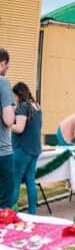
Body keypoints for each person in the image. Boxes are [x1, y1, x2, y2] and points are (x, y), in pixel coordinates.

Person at [10, 82, 42, 214]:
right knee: (30, 181)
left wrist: (7, 124)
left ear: (19, 94)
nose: (14, 98)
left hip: (22, 149)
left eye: (14, 96)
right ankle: (32, 213)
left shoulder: (23, 106)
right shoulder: (37, 106)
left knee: (15, 181)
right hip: (34, 149)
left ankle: (10, 213)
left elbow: (19, 128)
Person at [0, 48, 16, 208]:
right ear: (3, 63)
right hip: (2, 152)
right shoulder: (2, 82)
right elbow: (8, 120)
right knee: (4, 206)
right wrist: (11, 108)